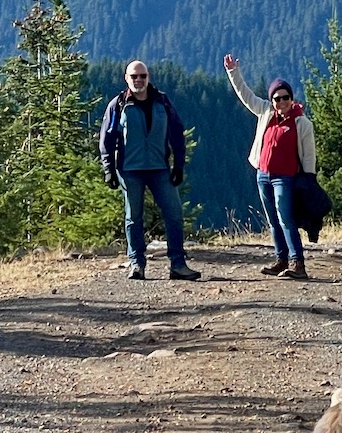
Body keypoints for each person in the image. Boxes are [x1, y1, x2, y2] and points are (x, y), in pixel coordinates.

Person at [99, 59, 201, 281]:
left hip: (160, 169)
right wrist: (108, 168)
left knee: (174, 214)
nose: (139, 80)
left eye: (142, 76)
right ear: (126, 79)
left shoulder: (162, 102)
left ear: (148, 77)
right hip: (129, 170)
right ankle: (137, 263)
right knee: (133, 218)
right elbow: (107, 138)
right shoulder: (118, 105)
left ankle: (178, 264)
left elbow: (176, 132)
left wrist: (179, 165)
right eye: (134, 76)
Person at [223, 52, 316, 279]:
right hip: (263, 174)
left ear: (292, 99)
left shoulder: (301, 123)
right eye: (277, 98)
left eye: (285, 97)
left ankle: (297, 263)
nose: (281, 102)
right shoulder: (265, 112)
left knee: (286, 218)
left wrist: (309, 180)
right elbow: (245, 95)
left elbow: (309, 155)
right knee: (273, 220)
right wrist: (233, 72)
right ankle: (281, 259)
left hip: (286, 177)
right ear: (272, 101)